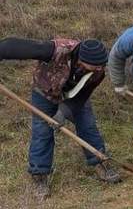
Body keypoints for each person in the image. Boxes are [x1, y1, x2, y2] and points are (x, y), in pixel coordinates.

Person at [0, 36, 120, 198]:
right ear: (81, 60)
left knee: (87, 124)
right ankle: (39, 175)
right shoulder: (57, 50)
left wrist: (62, 113)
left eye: (100, 66)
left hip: (74, 96)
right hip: (44, 92)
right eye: (94, 66)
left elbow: (81, 97)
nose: (98, 70)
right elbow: (10, 46)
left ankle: (99, 161)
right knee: (42, 131)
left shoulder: (98, 71)